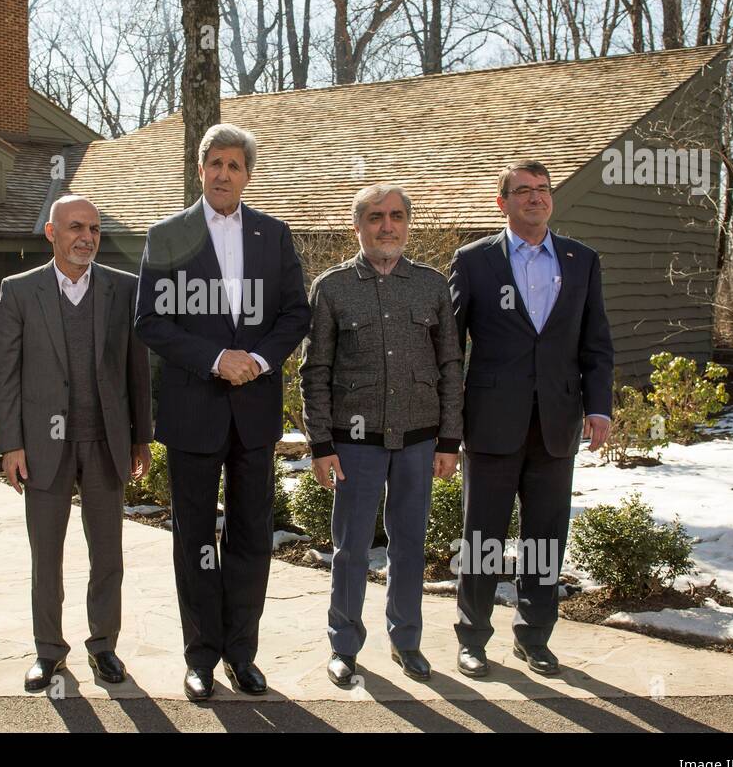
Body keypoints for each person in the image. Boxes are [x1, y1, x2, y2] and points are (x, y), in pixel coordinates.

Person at [135, 123, 311, 701]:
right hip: (194, 411)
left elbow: (294, 315)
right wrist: (216, 358)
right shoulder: (168, 235)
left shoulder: (273, 234)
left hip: (254, 412)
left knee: (251, 535)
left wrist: (256, 360)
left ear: (247, 175)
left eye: (234, 165)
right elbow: (151, 322)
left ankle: (242, 653)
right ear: (200, 168)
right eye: (215, 163)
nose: (223, 173)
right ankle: (200, 657)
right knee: (194, 538)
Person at [449, 159, 613, 678]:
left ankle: (533, 636)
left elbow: (596, 343)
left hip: (557, 423)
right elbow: (451, 349)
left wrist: (599, 406)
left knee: (545, 537)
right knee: (483, 538)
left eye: (543, 190)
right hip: (492, 423)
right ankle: (472, 638)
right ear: (503, 203)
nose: (536, 198)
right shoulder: (474, 262)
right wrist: (448, 426)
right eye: (523, 191)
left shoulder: (581, 260)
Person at [300, 184, 462, 688]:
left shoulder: (432, 287)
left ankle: (406, 641)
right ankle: (343, 645)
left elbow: (451, 365)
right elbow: (315, 370)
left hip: (419, 441)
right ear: (358, 226)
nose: (386, 226)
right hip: (354, 443)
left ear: (408, 224)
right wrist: (321, 445)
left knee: (409, 544)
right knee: (350, 548)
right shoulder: (331, 288)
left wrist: (449, 440)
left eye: (395, 216)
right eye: (375, 217)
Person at [0, 194, 153, 692]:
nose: (86, 237)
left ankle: (103, 646)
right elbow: (7, 374)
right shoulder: (19, 290)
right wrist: (12, 444)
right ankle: (48, 652)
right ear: (52, 233)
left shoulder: (122, 289)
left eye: (95, 229)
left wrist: (141, 439)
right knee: (47, 555)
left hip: (106, 443)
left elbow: (136, 371)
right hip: (43, 445)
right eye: (76, 228)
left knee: (107, 554)